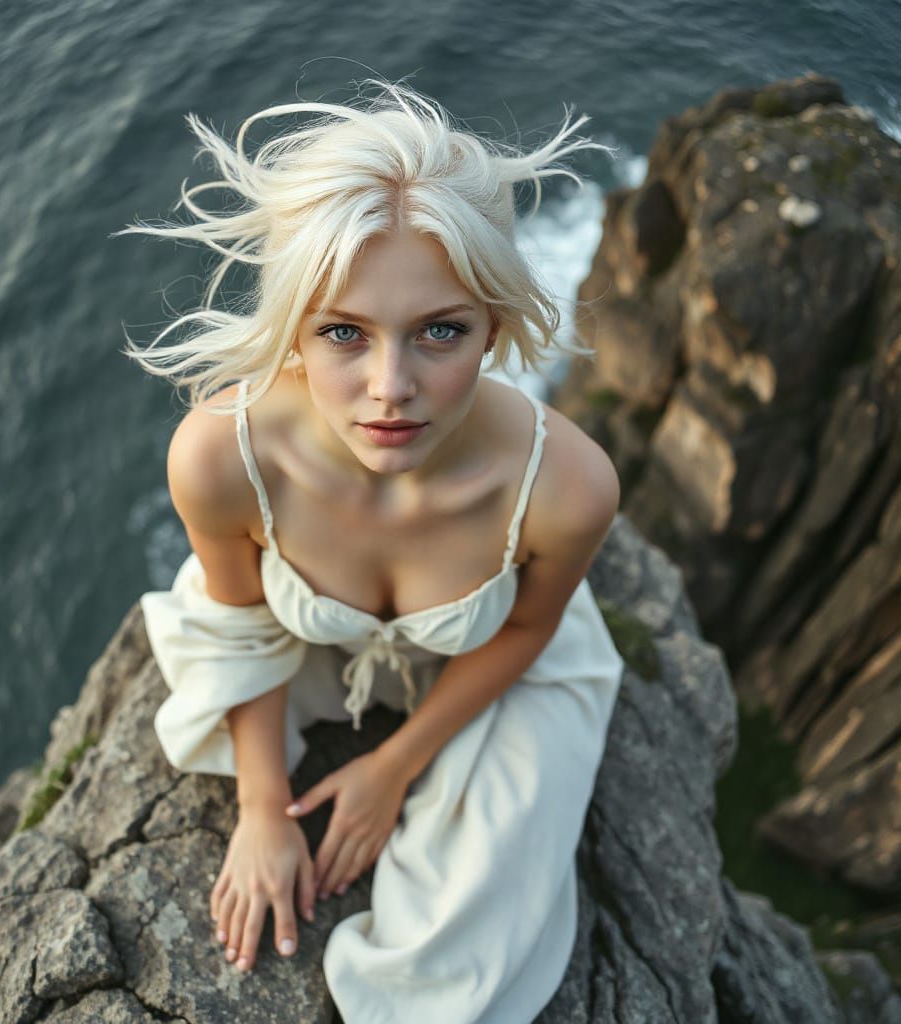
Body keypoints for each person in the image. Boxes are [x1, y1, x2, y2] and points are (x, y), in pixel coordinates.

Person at [120, 79, 626, 1024]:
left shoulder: (566, 487)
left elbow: (524, 632)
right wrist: (263, 811)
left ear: (496, 328)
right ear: (295, 333)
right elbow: (235, 630)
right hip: (305, 653)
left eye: (441, 330)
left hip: (492, 666)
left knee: (462, 956)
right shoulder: (223, 456)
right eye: (344, 332)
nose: (390, 389)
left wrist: (394, 766)